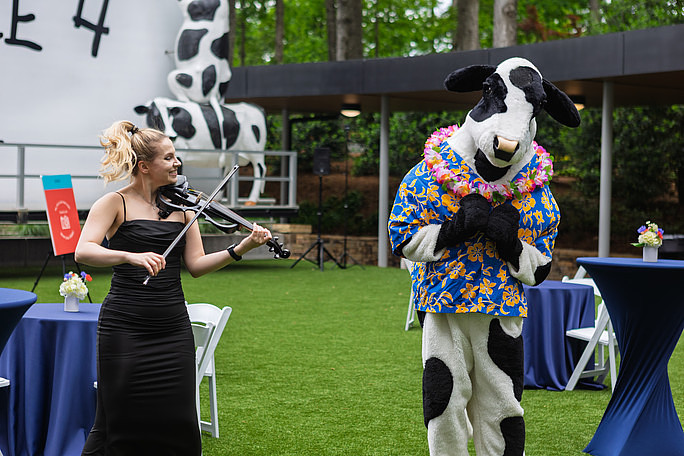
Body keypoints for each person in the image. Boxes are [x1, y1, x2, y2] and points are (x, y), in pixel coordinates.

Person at [75, 120, 272, 455]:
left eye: (175, 156)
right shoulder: (114, 203)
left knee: (179, 422)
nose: (176, 163)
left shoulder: (184, 209)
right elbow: (84, 251)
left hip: (172, 329)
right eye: (168, 158)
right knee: (117, 421)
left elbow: (196, 265)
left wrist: (241, 248)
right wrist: (130, 256)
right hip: (125, 327)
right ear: (144, 166)